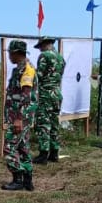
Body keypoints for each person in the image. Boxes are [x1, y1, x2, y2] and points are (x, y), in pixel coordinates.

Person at [3, 40, 37, 191]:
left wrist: (18, 119)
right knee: (22, 147)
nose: (9, 56)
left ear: (17, 53)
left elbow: (26, 96)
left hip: (20, 117)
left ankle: (18, 178)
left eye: (10, 53)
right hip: (17, 116)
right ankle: (28, 180)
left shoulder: (27, 70)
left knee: (9, 147)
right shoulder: (18, 69)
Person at [32, 36, 66, 164]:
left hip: (46, 94)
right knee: (54, 123)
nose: (40, 50)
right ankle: (54, 152)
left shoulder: (44, 56)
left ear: (45, 45)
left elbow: (39, 76)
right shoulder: (60, 58)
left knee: (43, 123)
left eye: (40, 47)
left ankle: (43, 153)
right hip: (56, 93)